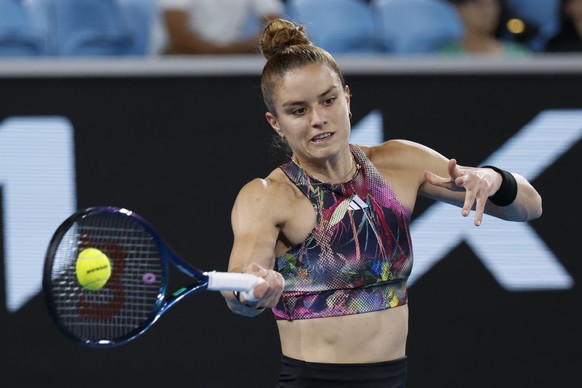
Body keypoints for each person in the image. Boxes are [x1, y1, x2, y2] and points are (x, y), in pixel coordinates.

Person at [220, 18, 543, 387]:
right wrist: (254, 291)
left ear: (347, 97)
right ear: (275, 122)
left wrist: (493, 178)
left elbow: (530, 206)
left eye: (328, 100)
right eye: (298, 110)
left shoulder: (400, 163)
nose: (319, 119)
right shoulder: (267, 195)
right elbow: (237, 291)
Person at [156, 0, 284, 55]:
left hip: (231, 56)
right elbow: (178, 38)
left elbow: (274, 24)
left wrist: (259, 41)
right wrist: (236, 50)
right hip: (182, 56)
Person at [439, 0, 530, 55]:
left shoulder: (517, 54)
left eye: (492, 5)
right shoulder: (446, 56)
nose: (488, 12)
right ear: (461, 10)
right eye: (480, 5)